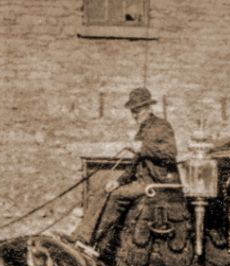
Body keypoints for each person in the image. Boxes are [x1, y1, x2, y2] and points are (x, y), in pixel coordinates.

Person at [72, 87, 179, 256]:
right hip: (141, 181)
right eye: (132, 111)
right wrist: (119, 181)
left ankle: (93, 242)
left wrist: (143, 148)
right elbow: (135, 164)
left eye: (137, 111)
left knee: (117, 196)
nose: (134, 115)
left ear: (148, 109)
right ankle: (80, 237)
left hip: (156, 182)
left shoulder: (162, 126)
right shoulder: (142, 130)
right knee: (105, 190)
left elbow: (171, 153)